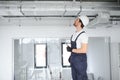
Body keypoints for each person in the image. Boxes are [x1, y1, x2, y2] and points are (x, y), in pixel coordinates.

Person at [66, 15, 89, 80]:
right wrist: (71, 56)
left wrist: (71, 50)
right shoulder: (74, 34)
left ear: (80, 22)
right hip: (74, 60)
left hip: (80, 62)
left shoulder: (83, 35)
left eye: (77, 19)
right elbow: (76, 48)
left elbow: (84, 50)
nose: (75, 20)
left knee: (81, 78)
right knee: (74, 78)